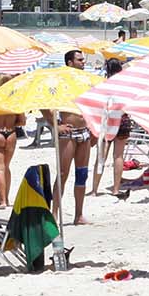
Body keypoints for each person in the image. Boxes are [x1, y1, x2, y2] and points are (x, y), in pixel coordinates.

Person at [54, 49, 95, 225]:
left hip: (84, 130)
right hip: (68, 132)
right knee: (63, 173)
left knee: (82, 173)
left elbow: (93, 104)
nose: (83, 62)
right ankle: (54, 213)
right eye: (79, 60)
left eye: (83, 60)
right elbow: (44, 104)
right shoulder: (61, 82)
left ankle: (78, 214)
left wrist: (94, 128)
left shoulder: (85, 81)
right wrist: (56, 125)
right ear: (70, 62)